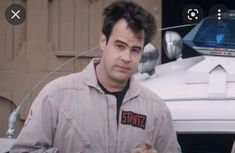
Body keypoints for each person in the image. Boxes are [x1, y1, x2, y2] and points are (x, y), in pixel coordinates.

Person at [10, 1, 181, 153]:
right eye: (120, 46)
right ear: (103, 42)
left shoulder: (156, 110)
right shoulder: (56, 96)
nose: (126, 58)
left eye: (135, 50)